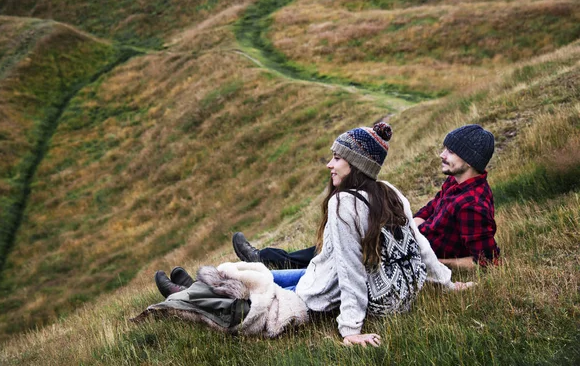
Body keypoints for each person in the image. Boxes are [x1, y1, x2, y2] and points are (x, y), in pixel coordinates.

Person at [150, 122, 466, 347]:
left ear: (356, 164)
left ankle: (183, 295)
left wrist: (350, 329)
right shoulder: (390, 192)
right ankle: (197, 286)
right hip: (322, 275)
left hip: (320, 295)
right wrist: (447, 283)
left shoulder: (345, 204)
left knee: (246, 303)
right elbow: (420, 246)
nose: (330, 164)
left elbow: (351, 270)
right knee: (257, 275)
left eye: (338, 158)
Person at [233, 124, 500, 270]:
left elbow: (487, 261)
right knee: (344, 237)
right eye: (445, 148)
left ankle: (267, 261)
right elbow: (428, 210)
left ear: (470, 160)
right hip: (407, 241)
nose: (442, 154)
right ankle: (270, 260)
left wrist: (433, 261)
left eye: (451, 151)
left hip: (408, 256)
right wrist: (411, 228)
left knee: (342, 247)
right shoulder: (456, 184)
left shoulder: (473, 205)